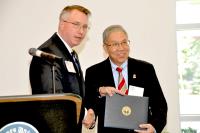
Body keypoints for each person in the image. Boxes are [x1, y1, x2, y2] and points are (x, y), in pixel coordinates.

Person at [84, 25, 168, 133]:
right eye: (115, 44)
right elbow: (89, 103)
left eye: (124, 42)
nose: (121, 48)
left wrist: (154, 127)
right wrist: (91, 117)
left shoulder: (145, 69)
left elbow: (160, 105)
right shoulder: (94, 72)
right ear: (105, 47)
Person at [29, 5, 95, 132]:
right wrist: (85, 114)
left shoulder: (71, 54)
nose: (81, 31)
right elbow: (52, 99)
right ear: (62, 24)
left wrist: (91, 109)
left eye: (85, 27)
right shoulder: (47, 54)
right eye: (76, 24)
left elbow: (76, 92)